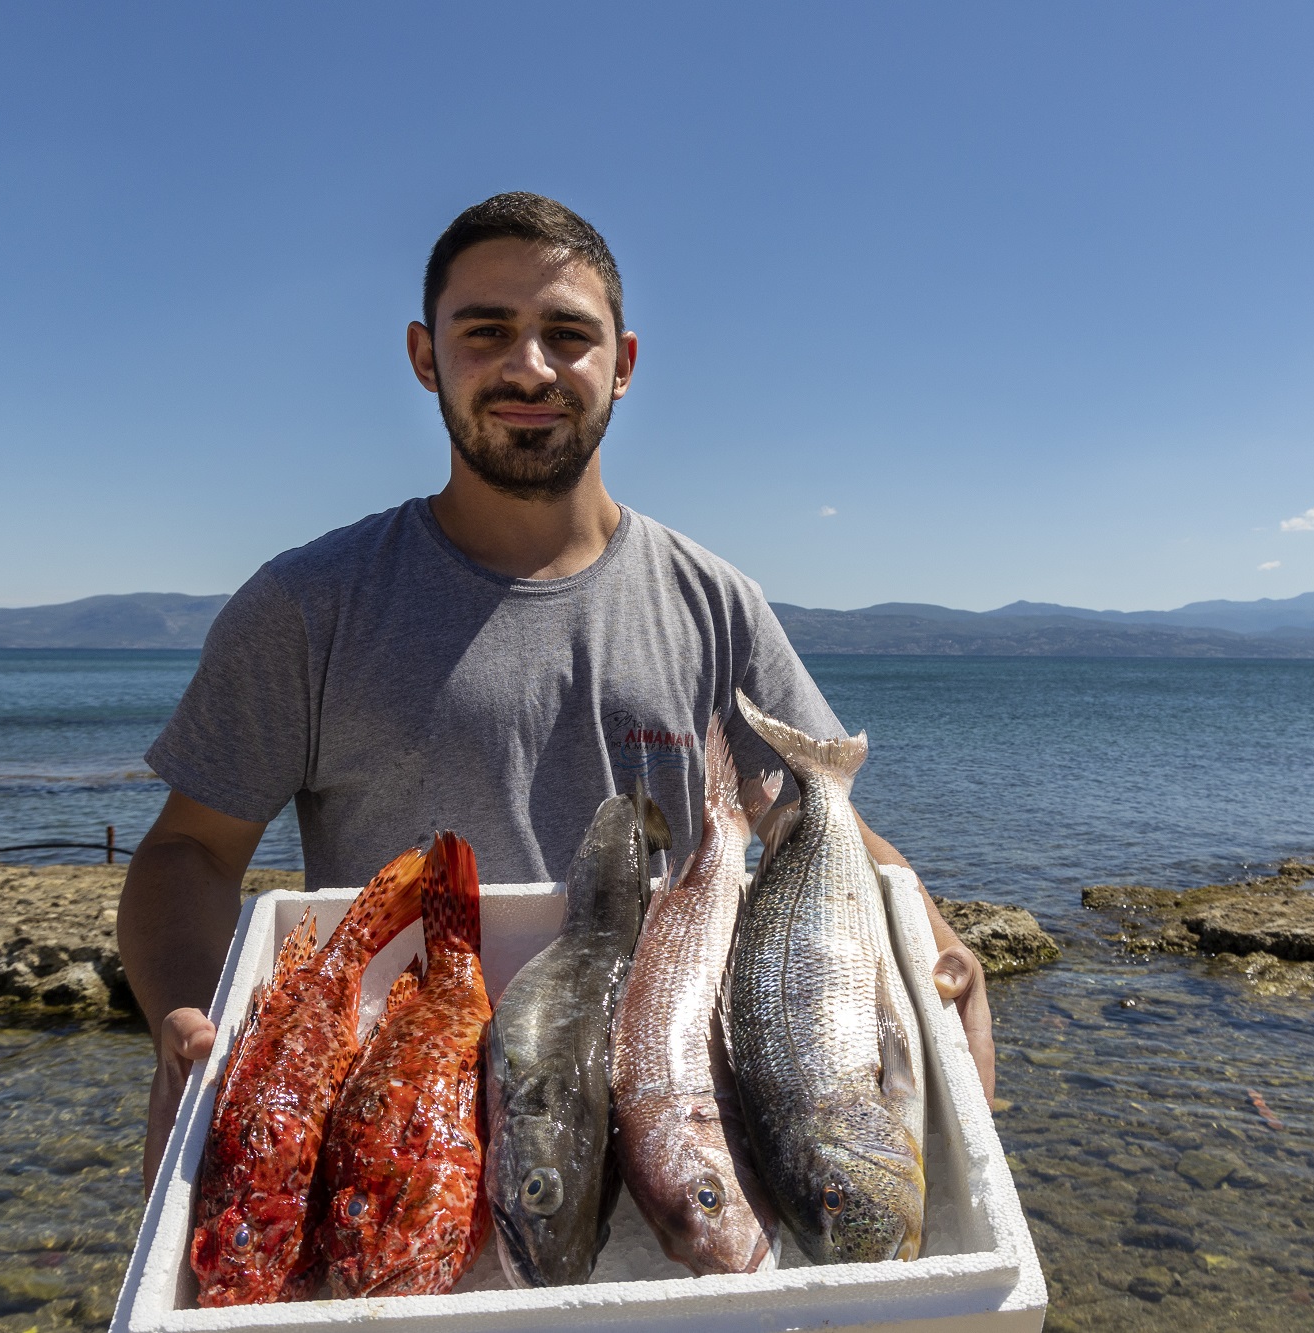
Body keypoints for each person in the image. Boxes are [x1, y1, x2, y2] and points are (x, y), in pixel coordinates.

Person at [117, 193, 994, 1191]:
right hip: (394, 1134)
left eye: (565, 335)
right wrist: (187, 1022)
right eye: (485, 331)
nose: (528, 366)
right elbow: (189, 850)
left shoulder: (714, 602)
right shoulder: (308, 605)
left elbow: (815, 821)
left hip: (672, 1121)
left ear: (620, 364)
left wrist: (933, 938)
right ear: (422, 356)